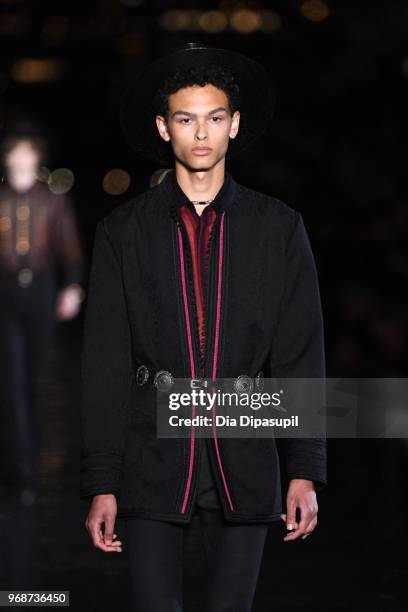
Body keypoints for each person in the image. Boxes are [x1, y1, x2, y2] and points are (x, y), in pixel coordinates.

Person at [80, 43, 327, 611]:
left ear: (234, 125)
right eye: (186, 119)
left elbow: (300, 352)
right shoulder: (123, 232)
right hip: (150, 459)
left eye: (215, 118)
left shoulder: (278, 228)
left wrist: (305, 470)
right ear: (163, 128)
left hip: (244, 454)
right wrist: (102, 482)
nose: (201, 134)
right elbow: (105, 363)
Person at [0, 124, 84, 504]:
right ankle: (19, 464)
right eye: (15, 153)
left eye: (26, 153)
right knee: (11, 379)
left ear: (35, 159)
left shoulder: (52, 199)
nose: (20, 160)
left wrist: (72, 286)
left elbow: (68, 245)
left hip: (40, 290)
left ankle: (30, 452)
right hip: (4, 292)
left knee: (35, 379)